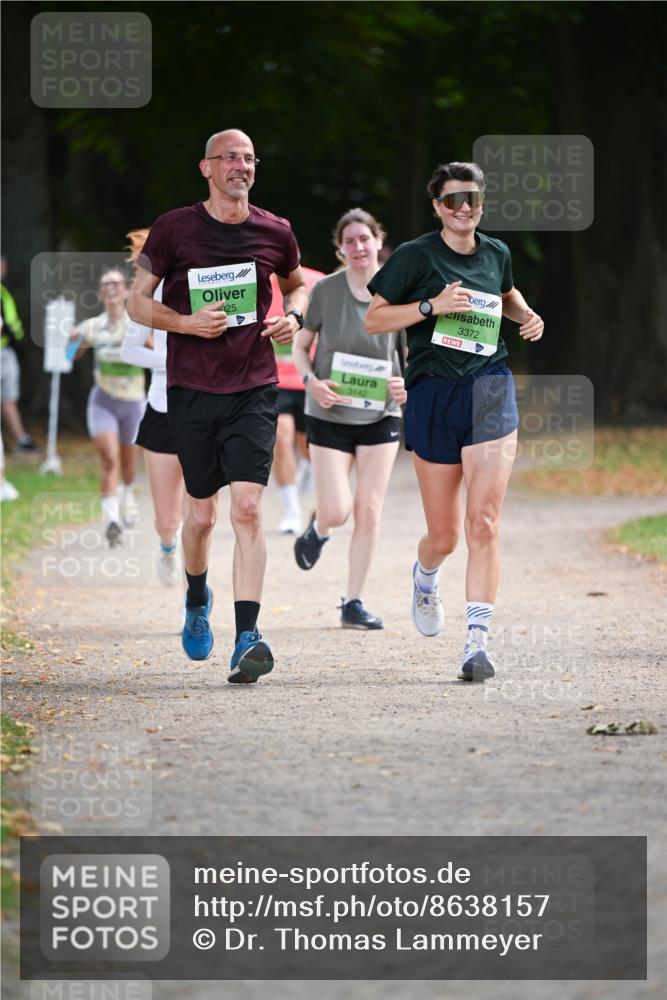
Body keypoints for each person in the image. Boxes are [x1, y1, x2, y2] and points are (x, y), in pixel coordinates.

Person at [127, 128, 308, 683]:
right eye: (230, 157)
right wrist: (184, 323)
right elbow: (137, 303)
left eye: (250, 158)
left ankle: (248, 635)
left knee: (249, 509)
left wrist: (293, 317)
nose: (241, 165)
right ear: (206, 168)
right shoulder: (174, 228)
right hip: (191, 390)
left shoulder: (275, 230)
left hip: (254, 387)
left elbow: (299, 285)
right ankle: (196, 596)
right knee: (201, 516)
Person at [365, 161, 544, 680]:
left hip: (490, 386)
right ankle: (425, 577)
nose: (463, 208)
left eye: (472, 199)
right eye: (452, 201)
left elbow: (506, 295)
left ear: (481, 202)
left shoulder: (497, 252)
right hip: (433, 393)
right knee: (444, 536)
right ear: (438, 207)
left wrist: (526, 315)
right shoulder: (415, 256)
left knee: (483, 522)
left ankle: (476, 644)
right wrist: (430, 306)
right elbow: (374, 317)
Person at [292, 208, 406, 629]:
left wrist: (404, 385)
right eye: (350, 241)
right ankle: (319, 529)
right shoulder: (324, 290)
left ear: (379, 241)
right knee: (338, 510)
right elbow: (301, 347)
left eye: (365, 238)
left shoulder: (401, 290)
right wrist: (310, 382)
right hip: (330, 410)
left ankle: (353, 603)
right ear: (341, 249)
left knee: (369, 509)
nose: (359, 247)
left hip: (380, 412)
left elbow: (410, 356)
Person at [121, 229, 185, 587]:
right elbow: (129, 350)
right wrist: (168, 359)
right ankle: (166, 546)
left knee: (201, 517)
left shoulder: (206, 284)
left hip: (205, 409)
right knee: (167, 520)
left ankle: (195, 596)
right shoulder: (149, 294)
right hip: (162, 408)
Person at [70, 268, 144, 547]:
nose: (111, 288)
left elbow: (156, 355)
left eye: (116, 283)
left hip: (134, 401)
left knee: (128, 462)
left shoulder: (137, 324)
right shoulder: (91, 326)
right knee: (109, 458)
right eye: (106, 284)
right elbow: (70, 357)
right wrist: (73, 339)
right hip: (103, 401)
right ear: (100, 294)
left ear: (126, 291)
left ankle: (128, 495)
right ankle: (111, 519)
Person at [268, 267, 323, 534]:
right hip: (272, 379)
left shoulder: (316, 282)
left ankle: (307, 467)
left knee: (308, 446)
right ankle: (291, 511)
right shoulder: (253, 282)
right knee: (281, 438)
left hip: (308, 376)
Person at [0, 257, 41, 454]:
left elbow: (12, 324)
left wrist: (18, 338)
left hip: (7, 350)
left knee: (8, 397)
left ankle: (20, 440)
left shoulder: (4, 292)